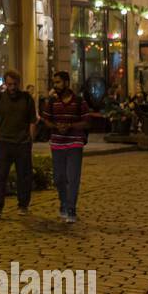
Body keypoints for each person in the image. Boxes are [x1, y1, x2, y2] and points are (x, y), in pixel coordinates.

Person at [0, 70, 37, 220]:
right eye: (9, 84)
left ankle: (23, 204)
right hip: (4, 142)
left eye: (15, 84)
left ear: (19, 83)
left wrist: (30, 139)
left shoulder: (27, 99)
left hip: (22, 142)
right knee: (0, 175)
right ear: (5, 83)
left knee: (23, 176)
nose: (12, 87)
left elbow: (32, 120)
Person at [42, 71, 89, 224]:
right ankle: (63, 201)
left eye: (58, 82)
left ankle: (71, 208)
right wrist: (56, 126)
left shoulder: (79, 101)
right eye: (54, 83)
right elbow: (46, 120)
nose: (55, 86)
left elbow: (86, 121)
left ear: (67, 83)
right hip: (57, 143)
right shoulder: (52, 102)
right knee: (59, 178)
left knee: (73, 177)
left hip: (74, 142)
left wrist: (70, 126)